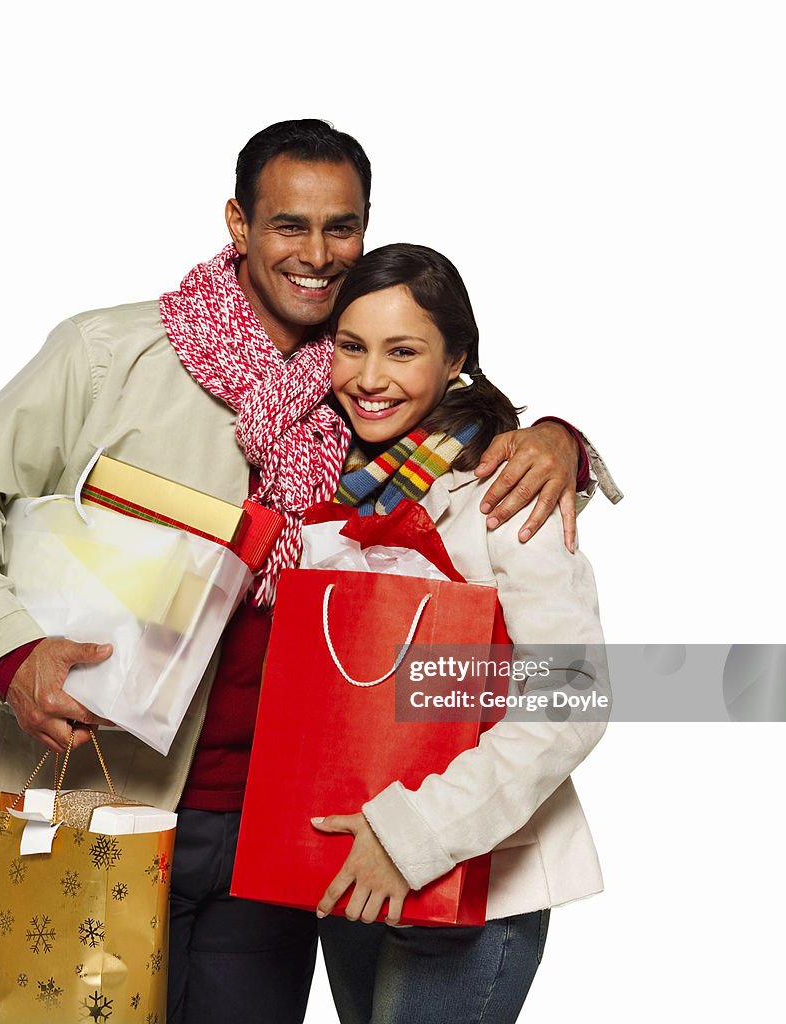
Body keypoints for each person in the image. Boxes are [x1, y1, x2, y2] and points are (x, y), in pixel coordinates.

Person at [0, 120, 614, 1024]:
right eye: (287, 225)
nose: (316, 255)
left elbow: (463, 438)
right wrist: (9, 651)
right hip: (102, 795)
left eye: (340, 228)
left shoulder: (360, 403)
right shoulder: (110, 356)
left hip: (279, 843)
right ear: (238, 223)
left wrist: (561, 442)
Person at [310, 242, 608, 1024]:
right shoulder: (325, 481)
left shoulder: (510, 488)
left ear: (456, 361)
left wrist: (411, 834)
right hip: (348, 862)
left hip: (474, 869)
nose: (370, 378)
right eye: (351, 346)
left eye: (403, 351)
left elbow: (570, 701)